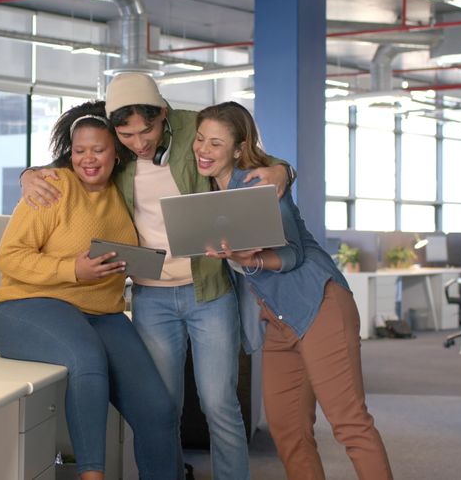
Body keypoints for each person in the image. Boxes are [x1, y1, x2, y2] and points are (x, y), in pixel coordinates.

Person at [20, 73, 293, 480]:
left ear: (163, 114)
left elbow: (249, 151)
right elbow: (77, 160)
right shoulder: (115, 144)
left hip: (208, 289)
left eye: (147, 130)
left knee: (219, 403)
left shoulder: (195, 130)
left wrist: (283, 170)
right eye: (127, 134)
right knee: (163, 407)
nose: (139, 143)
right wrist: (29, 174)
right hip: (151, 296)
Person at [193, 101, 394, 480]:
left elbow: (292, 255)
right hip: (279, 319)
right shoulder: (207, 191)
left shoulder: (258, 182)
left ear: (238, 148)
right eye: (200, 139)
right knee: (287, 431)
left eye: (216, 143)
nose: (204, 149)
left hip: (319, 304)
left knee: (349, 422)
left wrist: (246, 258)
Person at [0, 101, 181, 480]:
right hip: (25, 308)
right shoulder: (52, 187)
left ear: (117, 153)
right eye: (80, 151)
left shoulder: (122, 193)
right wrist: (72, 269)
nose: (88, 159)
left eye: (99, 149)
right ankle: (92, 476)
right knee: (87, 358)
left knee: (158, 409)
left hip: (102, 314)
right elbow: (8, 258)